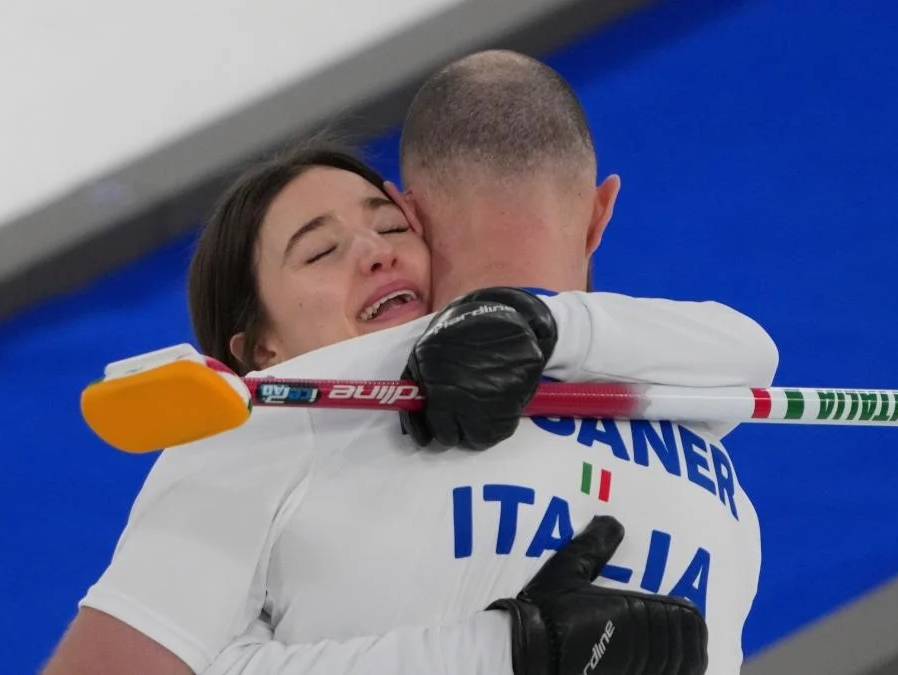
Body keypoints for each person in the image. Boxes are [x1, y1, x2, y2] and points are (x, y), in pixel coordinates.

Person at [44, 50, 777, 675]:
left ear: (417, 216)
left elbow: (750, 355)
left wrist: (548, 322)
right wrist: (504, 650)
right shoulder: (276, 412)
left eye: (386, 225)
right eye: (321, 250)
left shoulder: (702, 446)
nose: (372, 249)